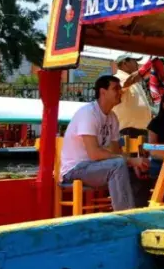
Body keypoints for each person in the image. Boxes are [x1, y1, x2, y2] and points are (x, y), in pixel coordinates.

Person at [60, 75, 150, 211]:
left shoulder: (113, 118)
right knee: (119, 165)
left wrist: (134, 164)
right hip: (75, 170)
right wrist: (131, 161)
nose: (121, 92)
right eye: (116, 88)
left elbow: (115, 152)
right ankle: (125, 217)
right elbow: (94, 154)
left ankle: (140, 212)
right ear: (103, 92)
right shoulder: (89, 113)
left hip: (95, 168)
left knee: (134, 171)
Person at [112, 54, 155, 139]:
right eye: (135, 61)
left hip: (142, 133)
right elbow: (123, 86)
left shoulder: (136, 82)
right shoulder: (117, 78)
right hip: (128, 133)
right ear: (125, 63)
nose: (137, 64)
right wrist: (142, 72)